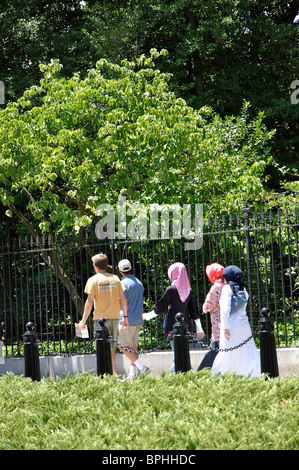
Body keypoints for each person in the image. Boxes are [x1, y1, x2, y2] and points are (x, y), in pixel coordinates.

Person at [79, 253, 128, 375]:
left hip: (100, 320)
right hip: (115, 317)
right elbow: (123, 299)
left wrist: (83, 321)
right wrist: (125, 317)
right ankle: (114, 373)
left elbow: (89, 302)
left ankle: (104, 374)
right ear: (106, 265)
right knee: (112, 348)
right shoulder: (115, 279)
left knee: (101, 347)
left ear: (95, 266)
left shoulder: (93, 280)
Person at [154, 262, 205, 373]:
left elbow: (160, 307)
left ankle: (182, 377)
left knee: (177, 356)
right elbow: (194, 311)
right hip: (186, 327)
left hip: (173, 327)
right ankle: (188, 375)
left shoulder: (171, 290)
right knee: (182, 354)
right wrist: (199, 329)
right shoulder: (188, 291)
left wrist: (148, 316)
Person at [211, 265, 261, 377]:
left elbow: (225, 310)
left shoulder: (227, 289)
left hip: (230, 326)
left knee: (227, 351)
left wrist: (225, 327)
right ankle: (251, 375)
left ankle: (221, 375)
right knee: (246, 351)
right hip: (244, 326)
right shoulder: (243, 289)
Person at [118, 259, 149, 379]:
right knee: (133, 347)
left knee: (121, 345)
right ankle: (132, 374)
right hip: (137, 318)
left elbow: (121, 302)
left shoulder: (122, 284)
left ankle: (141, 367)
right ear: (131, 267)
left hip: (127, 319)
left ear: (120, 271)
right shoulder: (139, 282)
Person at [197, 263, 225, 371]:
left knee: (214, 349)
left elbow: (207, 305)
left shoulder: (216, 287)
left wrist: (205, 308)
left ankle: (201, 373)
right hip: (228, 322)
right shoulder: (227, 285)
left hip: (218, 323)